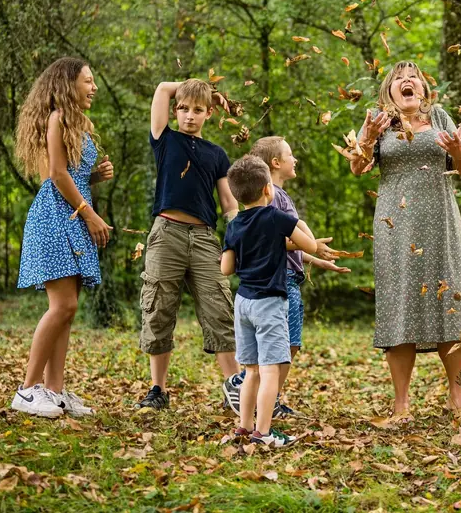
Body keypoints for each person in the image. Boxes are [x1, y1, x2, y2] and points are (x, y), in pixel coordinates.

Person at [346, 61, 461, 428]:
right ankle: (401, 405)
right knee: (399, 306)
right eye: (399, 79)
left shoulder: (439, 117)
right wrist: (368, 139)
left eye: (413, 78)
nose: (407, 82)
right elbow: (358, 168)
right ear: (389, 91)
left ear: (423, 89)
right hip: (395, 224)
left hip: (441, 220)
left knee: (449, 303)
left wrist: (459, 150)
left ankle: (458, 399)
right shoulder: (379, 120)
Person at [12, 57, 114, 418]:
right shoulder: (56, 118)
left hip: (71, 214)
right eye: (88, 81)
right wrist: (90, 214)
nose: (94, 87)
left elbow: (71, 174)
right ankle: (27, 390)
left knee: (68, 310)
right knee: (62, 306)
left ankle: (54, 392)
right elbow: (55, 174)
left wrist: (95, 177)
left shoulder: (77, 124)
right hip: (55, 217)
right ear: (67, 84)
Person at [222, 136, 351, 417]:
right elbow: (272, 241)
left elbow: (279, 246)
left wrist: (316, 259)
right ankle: (256, 395)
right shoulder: (273, 200)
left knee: (286, 345)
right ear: (275, 163)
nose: (295, 159)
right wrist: (311, 242)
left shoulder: (272, 199)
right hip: (279, 282)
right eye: (290, 154)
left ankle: (263, 399)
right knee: (281, 348)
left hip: (264, 286)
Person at [135, 79, 240, 411]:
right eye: (183, 109)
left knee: (219, 307)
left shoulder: (217, 154)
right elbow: (161, 89)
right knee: (159, 307)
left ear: (209, 114)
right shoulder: (164, 140)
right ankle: (158, 389)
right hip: (167, 234)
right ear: (175, 112)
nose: (189, 116)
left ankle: (235, 387)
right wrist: (203, 89)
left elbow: (228, 202)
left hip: (205, 239)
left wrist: (239, 233)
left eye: (197, 110)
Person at [221, 155, 318, 449]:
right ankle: (263, 433)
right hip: (270, 303)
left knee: (250, 370)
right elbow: (311, 246)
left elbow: (226, 268)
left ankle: (244, 427)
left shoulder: (234, 225)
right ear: (267, 189)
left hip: (243, 302)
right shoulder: (277, 218)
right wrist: (297, 224)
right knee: (270, 370)